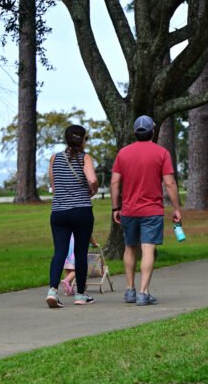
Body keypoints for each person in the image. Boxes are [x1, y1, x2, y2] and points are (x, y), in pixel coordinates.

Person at [110, 115, 183, 306]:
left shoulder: (123, 154)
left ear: (135, 133)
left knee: (130, 247)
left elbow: (115, 182)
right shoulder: (161, 153)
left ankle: (129, 290)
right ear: (152, 131)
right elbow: (169, 182)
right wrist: (176, 208)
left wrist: (115, 207)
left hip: (129, 210)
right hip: (152, 210)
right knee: (147, 248)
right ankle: (143, 293)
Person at [46, 124, 99, 308]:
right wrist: (93, 189)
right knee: (80, 252)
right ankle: (80, 294)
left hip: (59, 211)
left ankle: (52, 291)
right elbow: (91, 179)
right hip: (81, 211)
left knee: (59, 252)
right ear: (82, 140)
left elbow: (53, 184)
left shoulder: (55, 158)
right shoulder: (85, 158)